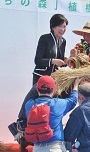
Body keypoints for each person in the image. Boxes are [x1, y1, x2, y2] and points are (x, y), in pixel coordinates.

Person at [12, 14, 69, 150]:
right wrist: (52, 61)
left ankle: (45, 133)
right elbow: (37, 60)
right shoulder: (45, 39)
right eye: (60, 26)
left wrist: (67, 60)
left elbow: (60, 62)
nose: (63, 29)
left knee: (49, 109)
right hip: (41, 79)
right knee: (31, 102)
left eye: (65, 26)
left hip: (54, 80)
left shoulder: (63, 41)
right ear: (53, 26)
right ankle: (21, 126)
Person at [25, 76, 79, 151]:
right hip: (54, 147)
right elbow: (73, 100)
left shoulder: (29, 105)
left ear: (37, 89)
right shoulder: (57, 104)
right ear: (53, 90)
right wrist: (76, 85)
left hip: (37, 148)